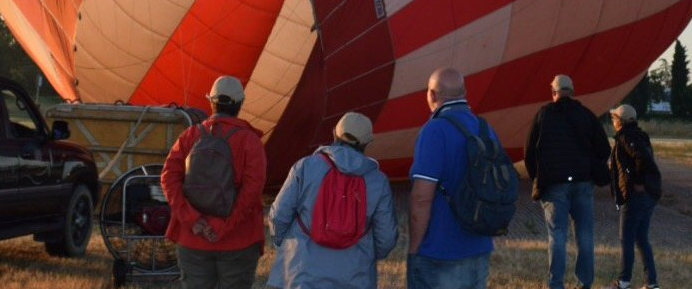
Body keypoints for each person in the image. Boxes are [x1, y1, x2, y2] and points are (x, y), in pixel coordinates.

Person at [267, 111, 398, 288]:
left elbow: (278, 215)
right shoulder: (378, 180)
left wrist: (284, 244)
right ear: (367, 143)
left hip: (301, 273)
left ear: (334, 133)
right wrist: (366, 255)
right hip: (355, 277)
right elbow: (387, 236)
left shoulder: (305, 166)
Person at [160, 75, 267, 289]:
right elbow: (252, 191)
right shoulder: (250, 141)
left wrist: (193, 220)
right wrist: (223, 226)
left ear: (211, 102)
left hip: (193, 239)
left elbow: (168, 178)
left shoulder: (189, 135)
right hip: (238, 240)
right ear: (240, 104)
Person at [407, 67, 497, 289]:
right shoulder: (485, 129)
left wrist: (415, 247)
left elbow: (421, 198)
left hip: (441, 252)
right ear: (464, 92)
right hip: (479, 247)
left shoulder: (434, 131)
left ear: (432, 95)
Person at [524, 74, 610, 289]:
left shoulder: (544, 115)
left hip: (554, 184)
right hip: (582, 182)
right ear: (572, 92)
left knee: (557, 235)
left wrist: (537, 177)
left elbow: (529, 151)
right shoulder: (586, 115)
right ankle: (585, 283)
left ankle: (556, 284)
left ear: (553, 93)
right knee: (585, 235)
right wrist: (590, 166)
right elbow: (604, 148)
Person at [607, 104, 661, 289]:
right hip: (650, 195)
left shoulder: (626, 137)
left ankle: (623, 281)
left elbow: (642, 159)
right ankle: (651, 282)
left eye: (614, 119)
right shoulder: (640, 135)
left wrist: (637, 181)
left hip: (636, 195)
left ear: (620, 122)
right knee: (641, 238)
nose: (612, 122)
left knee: (627, 238)